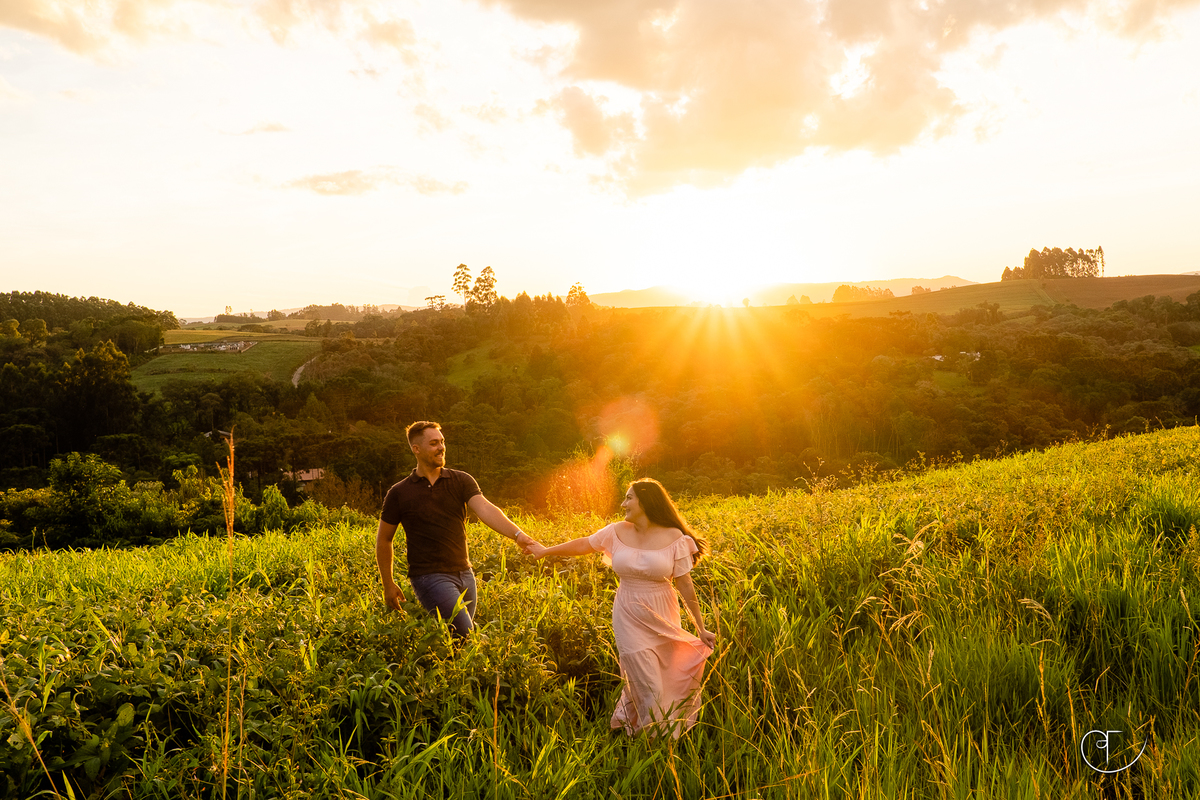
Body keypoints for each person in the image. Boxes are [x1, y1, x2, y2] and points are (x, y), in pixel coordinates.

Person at [526, 478, 716, 737]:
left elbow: (684, 583)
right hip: (628, 611)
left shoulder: (675, 538)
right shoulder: (616, 531)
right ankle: (655, 741)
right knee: (648, 682)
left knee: (662, 676)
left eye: (629, 498)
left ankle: (641, 733)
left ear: (646, 501)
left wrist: (700, 627)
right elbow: (584, 544)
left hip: (663, 611)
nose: (623, 503)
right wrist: (546, 551)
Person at [376, 421, 540, 637]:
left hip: (465, 573)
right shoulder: (399, 493)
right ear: (416, 449)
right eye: (434, 443)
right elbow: (384, 539)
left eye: (442, 442)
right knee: (466, 633)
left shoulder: (460, 480)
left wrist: (517, 535)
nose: (441, 447)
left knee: (458, 643)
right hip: (429, 576)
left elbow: (485, 509)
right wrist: (388, 584)